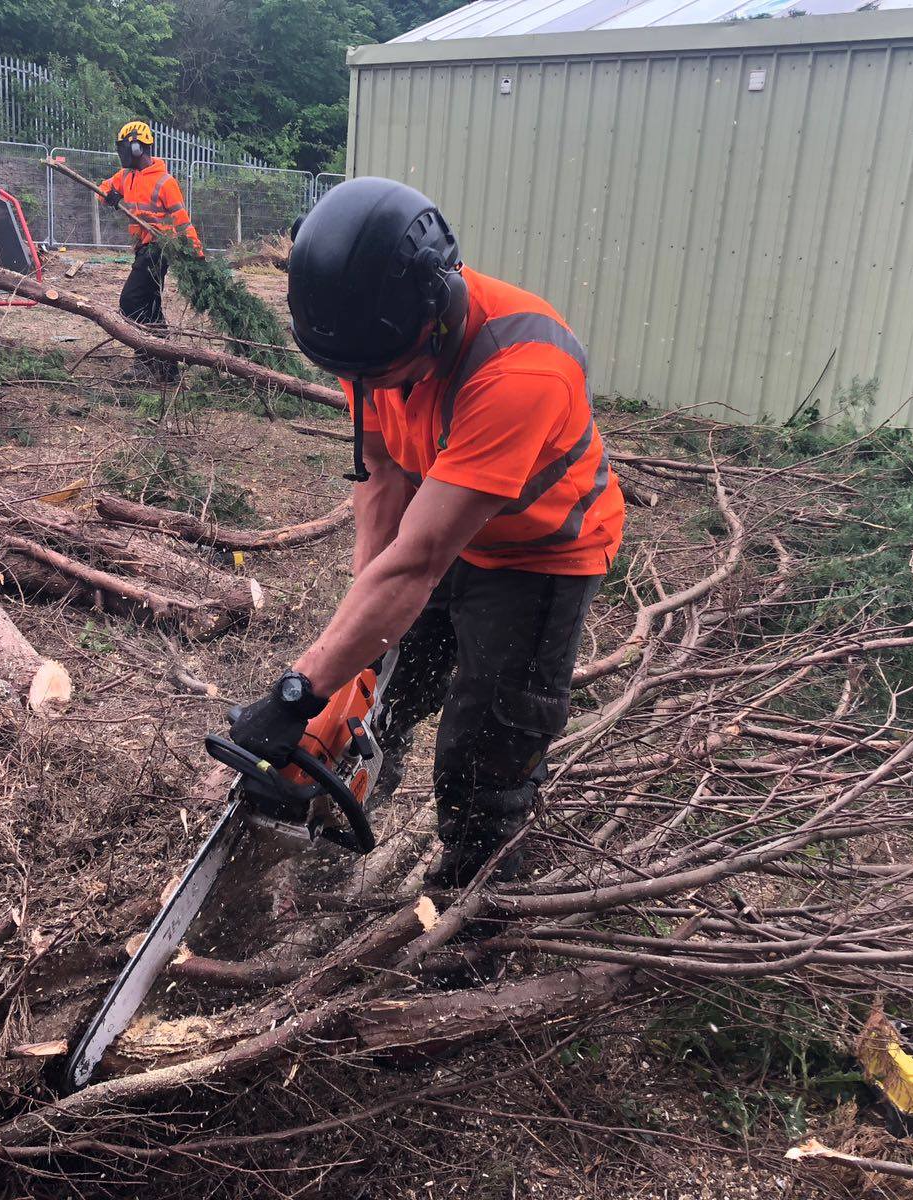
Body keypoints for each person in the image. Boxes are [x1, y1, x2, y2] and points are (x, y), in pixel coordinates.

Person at [225, 177, 626, 887]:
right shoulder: (365, 334)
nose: (367, 385)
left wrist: (296, 691)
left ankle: (473, 917)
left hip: (541, 555)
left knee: (485, 746)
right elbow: (381, 476)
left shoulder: (522, 368)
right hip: (440, 525)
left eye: (379, 372)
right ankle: (333, 829)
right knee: (383, 695)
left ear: (434, 318)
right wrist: (353, 638)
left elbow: (418, 561)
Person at [98, 120, 204, 383]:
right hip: (142, 247)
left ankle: (147, 359)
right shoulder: (126, 176)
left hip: (159, 248)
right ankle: (166, 368)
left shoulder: (165, 182)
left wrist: (198, 255)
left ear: (137, 147)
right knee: (151, 307)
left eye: (124, 147)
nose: (121, 153)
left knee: (130, 302)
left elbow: (182, 220)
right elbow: (101, 189)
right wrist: (110, 197)